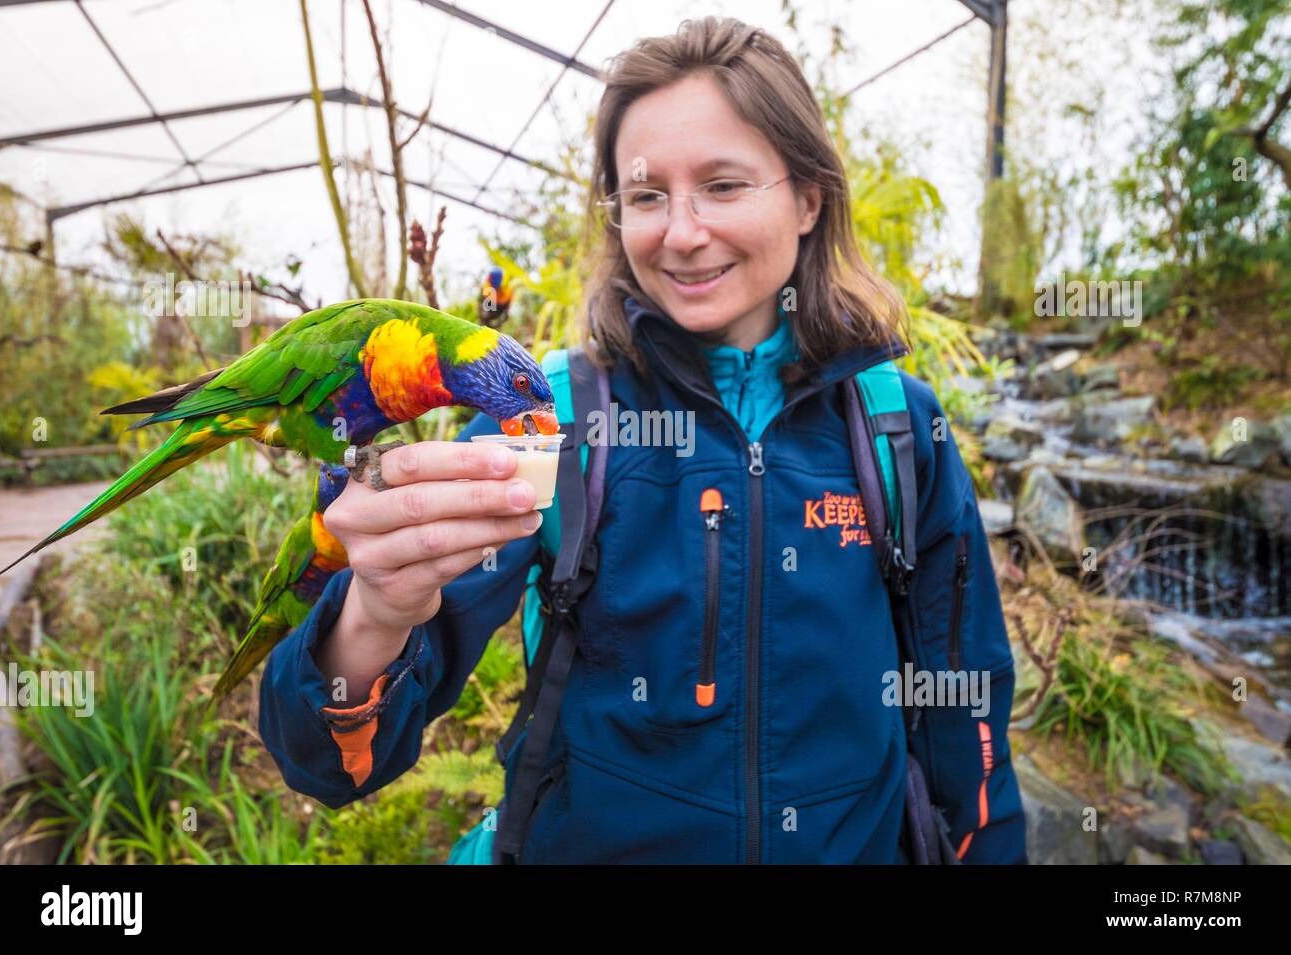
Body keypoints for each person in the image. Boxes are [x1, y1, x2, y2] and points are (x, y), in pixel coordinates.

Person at [258, 15, 1027, 864]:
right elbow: (325, 764)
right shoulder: (550, 418)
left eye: (724, 186)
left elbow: (968, 707)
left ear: (809, 198)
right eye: (647, 195)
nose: (682, 232)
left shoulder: (897, 426)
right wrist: (373, 614)